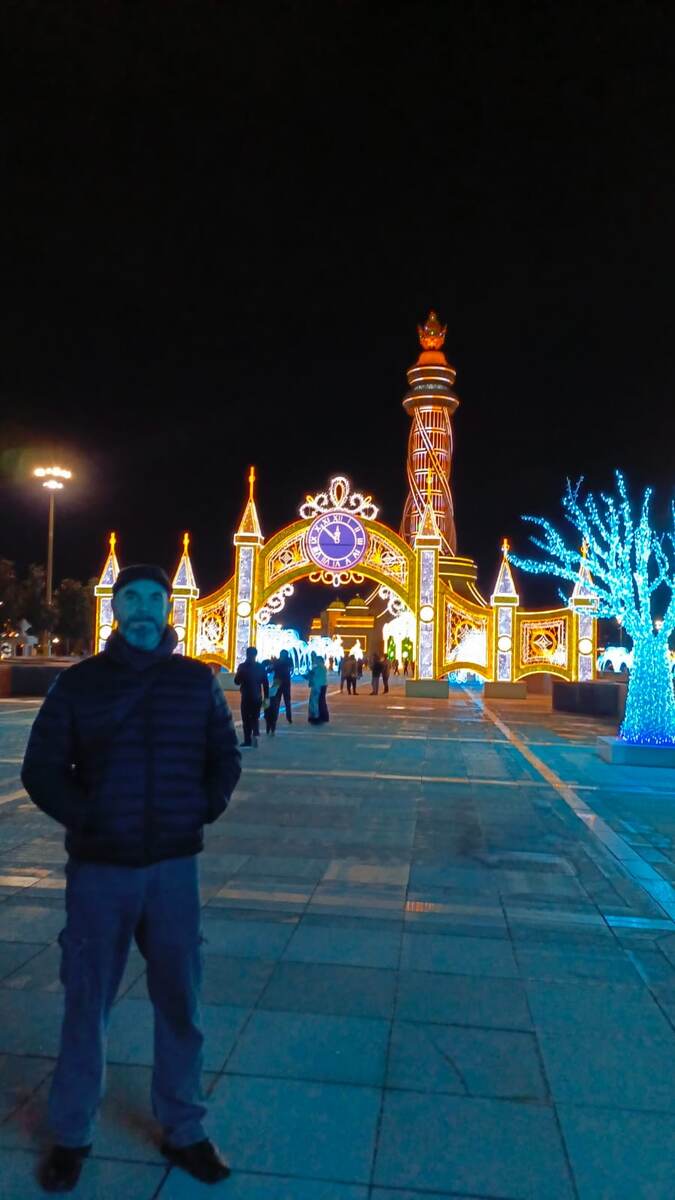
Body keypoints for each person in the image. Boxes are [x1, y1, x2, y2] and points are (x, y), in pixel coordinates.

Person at [21, 564, 241, 1193]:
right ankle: (71, 1133)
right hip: (100, 872)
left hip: (174, 869)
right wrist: (89, 820)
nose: (144, 609)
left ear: (170, 609)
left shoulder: (195, 682)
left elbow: (223, 757)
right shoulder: (80, 685)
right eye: (132, 599)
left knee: (181, 1001)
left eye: (155, 599)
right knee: (86, 1001)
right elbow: (42, 768)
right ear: (116, 608)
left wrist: (200, 808)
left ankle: (185, 1129)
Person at [234, 646, 269, 748]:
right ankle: (255, 736)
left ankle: (248, 740)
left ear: (247, 654)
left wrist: (240, 674)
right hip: (257, 697)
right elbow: (265, 683)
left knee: (246, 719)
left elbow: (236, 682)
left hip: (246, 696)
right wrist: (266, 698)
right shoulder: (260, 667)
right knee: (255, 718)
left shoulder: (242, 667)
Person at [306, 654, 329, 724]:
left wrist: (306, 674)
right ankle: (324, 716)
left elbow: (310, 675)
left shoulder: (317, 668)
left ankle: (315, 717)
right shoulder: (324, 668)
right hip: (323, 685)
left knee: (314, 702)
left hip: (317, 686)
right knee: (322, 702)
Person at [275, 648, 293, 723]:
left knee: (276, 701)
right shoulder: (289, 661)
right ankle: (289, 718)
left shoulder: (277, 661)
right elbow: (291, 669)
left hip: (277, 681)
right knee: (287, 701)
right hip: (286, 682)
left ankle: (274, 717)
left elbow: (272, 669)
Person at [265, 659, 282, 736]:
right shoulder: (275, 687)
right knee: (272, 715)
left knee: (269, 715)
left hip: (269, 699)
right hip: (272, 700)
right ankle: (271, 730)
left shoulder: (271, 686)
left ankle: (269, 729)